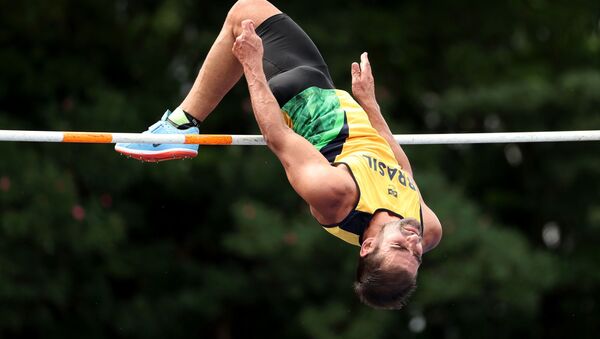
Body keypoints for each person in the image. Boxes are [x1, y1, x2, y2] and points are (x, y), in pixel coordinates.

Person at [115, 0, 442, 310]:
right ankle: (181, 125)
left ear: (367, 247)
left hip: (297, 95)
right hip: (329, 89)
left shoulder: (336, 196)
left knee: (244, 11)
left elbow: (278, 137)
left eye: (399, 247)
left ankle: (180, 126)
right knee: (245, 9)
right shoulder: (428, 229)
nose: (413, 244)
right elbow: (402, 170)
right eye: (416, 257)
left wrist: (252, 65)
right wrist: (370, 104)